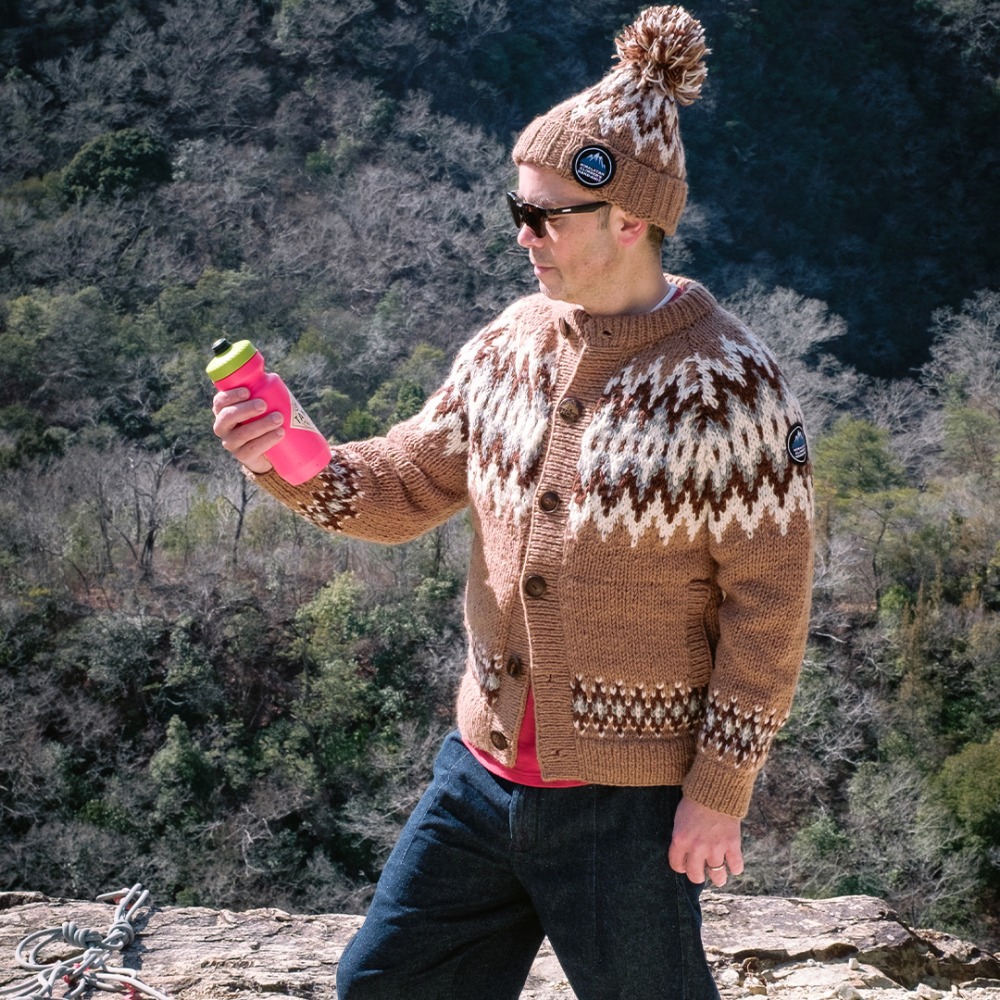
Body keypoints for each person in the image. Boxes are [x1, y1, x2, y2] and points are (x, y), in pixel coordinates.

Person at [212, 6, 814, 998]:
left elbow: (770, 606)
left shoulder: (729, 387)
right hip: (479, 779)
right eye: (516, 210)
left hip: (626, 806)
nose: (523, 235)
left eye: (545, 216)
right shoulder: (510, 343)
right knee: (383, 985)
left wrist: (719, 788)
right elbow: (408, 482)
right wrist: (290, 458)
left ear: (629, 219)